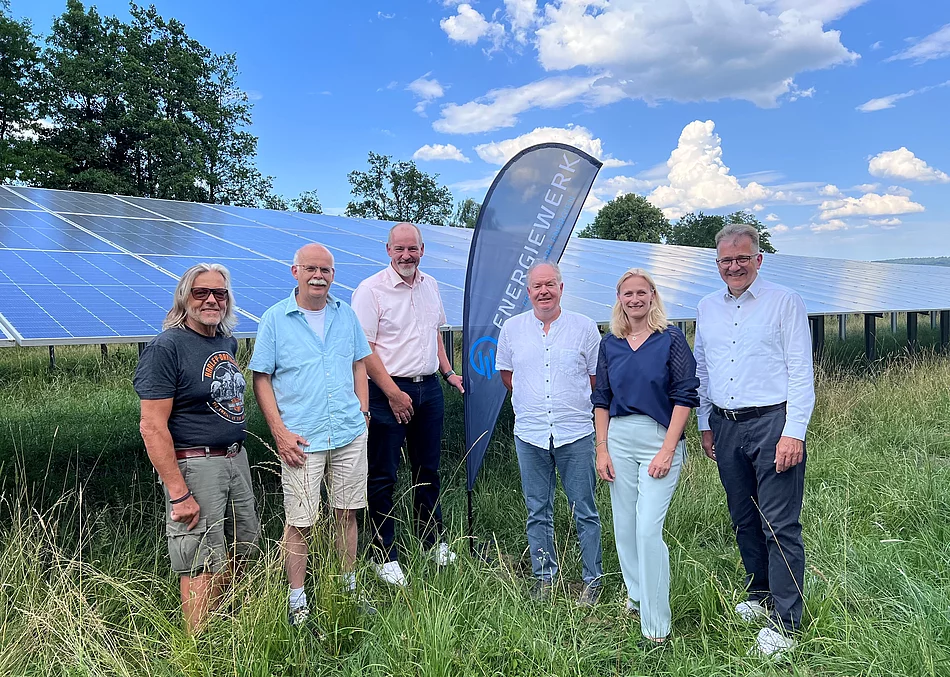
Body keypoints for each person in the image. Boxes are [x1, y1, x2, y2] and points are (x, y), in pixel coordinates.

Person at [250, 243, 410, 624]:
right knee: (300, 521)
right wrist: (279, 432)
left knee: (347, 513)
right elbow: (261, 378)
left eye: (325, 270)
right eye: (311, 269)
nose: (318, 276)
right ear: (296, 272)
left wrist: (364, 411)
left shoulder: (345, 315)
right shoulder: (275, 319)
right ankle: (298, 600)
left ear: (333, 275)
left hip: (348, 431)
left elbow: (359, 364)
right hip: (301, 438)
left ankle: (347, 589)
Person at [694, 223, 815, 657]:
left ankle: (786, 622)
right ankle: (760, 594)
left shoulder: (784, 302)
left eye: (742, 258)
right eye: (726, 260)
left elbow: (801, 370)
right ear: (717, 264)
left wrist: (793, 432)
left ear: (758, 259)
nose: (734, 266)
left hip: (772, 422)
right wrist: (705, 423)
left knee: (779, 524)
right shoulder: (707, 307)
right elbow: (702, 368)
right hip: (725, 424)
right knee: (744, 516)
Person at [134, 263, 260, 632]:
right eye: (200, 292)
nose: (211, 300)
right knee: (200, 557)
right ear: (184, 298)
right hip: (196, 464)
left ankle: (227, 628)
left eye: (219, 293)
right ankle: (198, 647)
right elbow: (152, 426)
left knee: (241, 547)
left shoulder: (225, 341)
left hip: (235, 458)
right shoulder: (166, 347)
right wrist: (178, 492)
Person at [351, 222, 464, 587]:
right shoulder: (370, 290)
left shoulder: (431, 286)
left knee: (428, 469)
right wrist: (392, 393)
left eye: (412, 248)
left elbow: (435, 336)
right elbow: (364, 349)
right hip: (387, 392)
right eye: (399, 249)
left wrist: (448, 372)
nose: (406, 255)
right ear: (388, 250)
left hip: (429, 389)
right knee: (383, 474)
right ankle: (383, 554)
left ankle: (432, 542)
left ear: (422, 250)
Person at [591, 268, 699, 643]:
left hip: (659, 438)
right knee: (624, 526)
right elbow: (601, 399)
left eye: (642, 292)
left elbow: (685, 395)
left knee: (647, 529)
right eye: (628, 293)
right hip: (618, 437)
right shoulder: (611, 343)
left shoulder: (670, 338)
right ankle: (636, 595)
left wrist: (668, 449)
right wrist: (601, 448)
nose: (635, 299)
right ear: (619, 299)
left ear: (652, 295)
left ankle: (656, 626)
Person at [495, 261, 604, 605]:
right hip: (530, 434)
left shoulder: (584, 327)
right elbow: (508, 376)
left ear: (561, 288)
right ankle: (544, 577)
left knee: (584, 509)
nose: (544, 292)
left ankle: (593, 579)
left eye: (550, 285)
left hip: (575, 433)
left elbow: (595, 379)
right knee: (537, 510)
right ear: (528, 292)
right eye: (537, 286)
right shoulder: (512, 329)